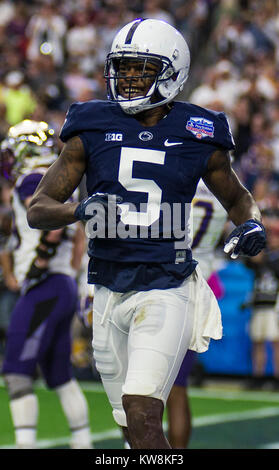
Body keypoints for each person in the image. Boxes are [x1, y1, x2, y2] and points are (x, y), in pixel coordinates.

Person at [27, 18, 266, 449]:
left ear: (172, 71)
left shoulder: (199, 130)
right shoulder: (90, 125)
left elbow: (238, 197)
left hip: (166, 283)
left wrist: (251, 221)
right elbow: (38, 209)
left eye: (142, 69)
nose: (129, 78)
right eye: (124, 68)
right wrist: (78, 209)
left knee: (143, 408)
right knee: (126, 419)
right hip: (106, 286)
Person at [0, 120, 93, 449]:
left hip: (46, 284)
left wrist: (41, 259)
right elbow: (76, 229)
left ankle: (25, 445)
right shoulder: (58, 175)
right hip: (62, 284)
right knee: (60, 376)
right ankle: (83, 443)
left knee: (16, 371)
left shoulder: (33, 178)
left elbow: (51, 224)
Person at [166, 179, 228, 448]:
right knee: (177, 384)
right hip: (204, 283)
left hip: (173, 281)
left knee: (157, 386)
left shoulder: (183, 171)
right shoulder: (223, 185)